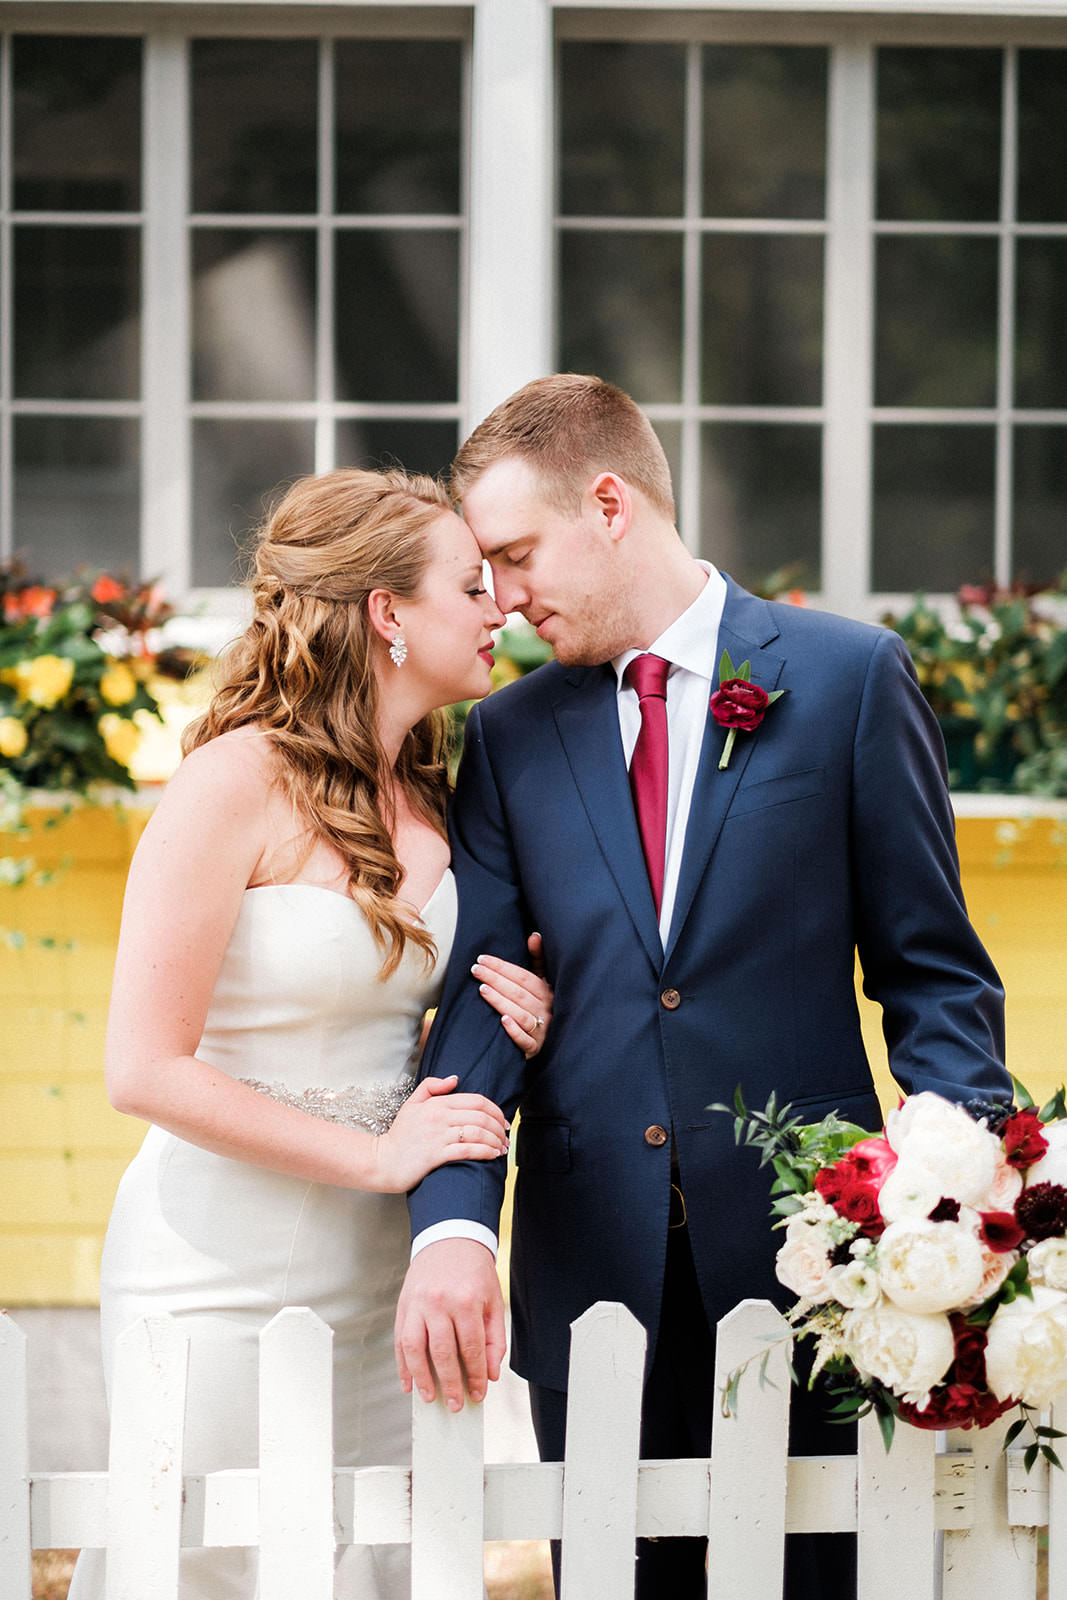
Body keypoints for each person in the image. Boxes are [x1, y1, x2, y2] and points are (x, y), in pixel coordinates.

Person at [394, 374, 1012, 1599]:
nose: (504, 600)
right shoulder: (510, 734)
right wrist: (453, 1225)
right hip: (589, 1283)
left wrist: (961, 1214)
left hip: (813, 1277)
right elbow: (480, 996)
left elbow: (932, 975)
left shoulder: (846, 679)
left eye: (516, 555)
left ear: (609, 502)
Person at [67, 467, 554, 1600]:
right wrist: (377, 1156)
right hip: (215, 1264)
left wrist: (512, 1011)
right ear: (387, 612)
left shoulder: (440, 790)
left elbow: (412, 1004)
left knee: (378, 1562)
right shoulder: (231, 781)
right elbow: (140, 1068)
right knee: (211, 1559)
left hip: (380, 1262)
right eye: (470, 587)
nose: (501, 610)